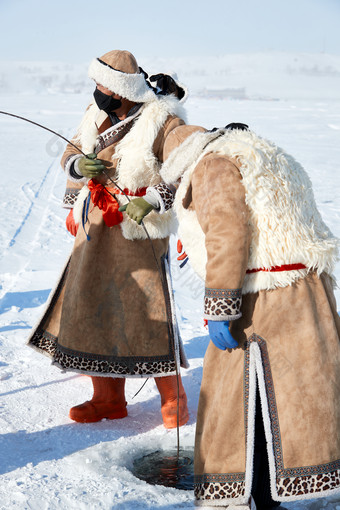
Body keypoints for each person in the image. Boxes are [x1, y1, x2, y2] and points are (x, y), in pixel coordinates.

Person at [126, 123, 340, 508]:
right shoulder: (252, 150)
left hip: (267, 299)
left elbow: (228, 232)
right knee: (288, 401)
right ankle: (269, 493)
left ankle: (254, 496)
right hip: (305, 289)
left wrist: (221, 305)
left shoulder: (212, 166)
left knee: (245, 403)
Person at [28, 49, 190, 429]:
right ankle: (108, 398)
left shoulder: (161, 121)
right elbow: (71, 149)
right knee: (91, 307)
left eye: (103, 85)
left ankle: (174, 400)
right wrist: (78, 166)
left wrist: (152, 199)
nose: (97, 91)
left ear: (121, 89)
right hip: (95, 226)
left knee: (147, 312)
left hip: (137, 230)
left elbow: (184, 163)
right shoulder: (94, 113)